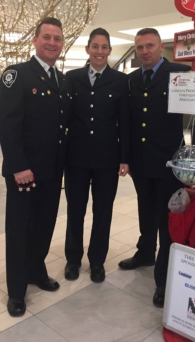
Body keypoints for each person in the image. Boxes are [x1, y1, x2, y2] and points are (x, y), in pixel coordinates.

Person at [0, 17, 71, 317]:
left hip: (53, 171)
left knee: (44, 225)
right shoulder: (16, 75)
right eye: (47, 37)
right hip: (24, 173)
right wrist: (18, 166)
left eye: (57, 38)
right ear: (35, 40)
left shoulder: (62, 81)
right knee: (19, 229)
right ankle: (16, 291)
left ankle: (36, 271)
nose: (52, 43)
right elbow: (8, 124)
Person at [118, 28, 191, 308]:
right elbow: (128, 122)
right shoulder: (132, 80)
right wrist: (125, 157)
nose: (145, 51)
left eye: (150, 46)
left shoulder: (179, 73)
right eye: (140, 47)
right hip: (140, 161)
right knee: (145, 210)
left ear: (161, 46)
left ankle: (163, 279)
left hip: (168, 161)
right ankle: (145, 253)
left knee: (166, 219)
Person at [64, 28, 130, 283]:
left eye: (104, 47)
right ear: (88, 49)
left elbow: (124, 122)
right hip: (76, 157)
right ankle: (72, 259)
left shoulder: (120, 81)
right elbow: (65, 118)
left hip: (107, 158)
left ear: (110, 50)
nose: (99, 52)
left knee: (103, 210)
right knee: (75, 209)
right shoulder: (72, 78)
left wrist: (124, 157)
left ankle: (97, 261)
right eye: (95, 46)